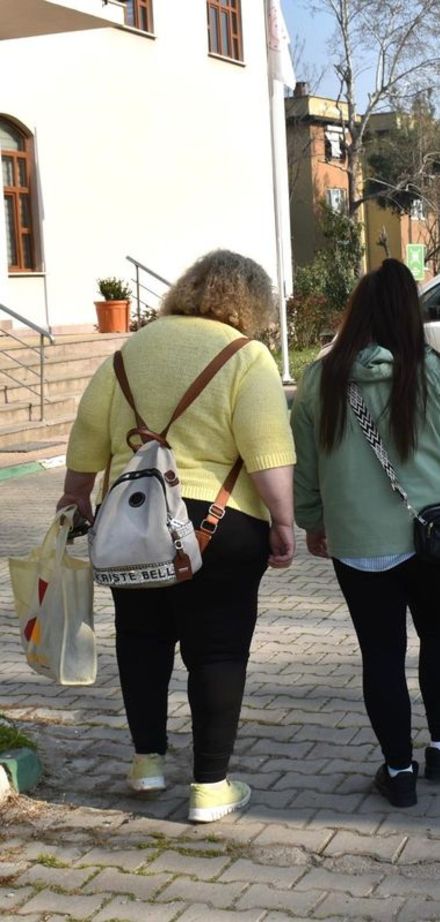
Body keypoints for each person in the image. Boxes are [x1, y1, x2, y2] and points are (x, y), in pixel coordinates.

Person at [57, 249, 296, 822]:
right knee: (217, 650)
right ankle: (210, 787)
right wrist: (284, 521)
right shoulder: (246, 356)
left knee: (141, 640)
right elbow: (266, 449)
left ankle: (147, 763)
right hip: (218, 524)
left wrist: (75, 498)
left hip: (130, 520)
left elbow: (87, 435)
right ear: (253, 303)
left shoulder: (128, 353)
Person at [291, 258, 440, 808]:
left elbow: (304, 466)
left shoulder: (319, 380)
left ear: (356, 312)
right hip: (435, 537)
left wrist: (312, 520)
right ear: (412, 313)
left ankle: (398, 770)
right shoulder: (436, 371)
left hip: (357, 542)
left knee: (381, 654)